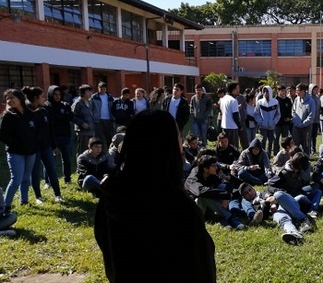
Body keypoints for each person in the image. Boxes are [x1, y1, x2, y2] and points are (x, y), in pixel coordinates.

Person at [94, 109, 216, 282]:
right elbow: (202, 270)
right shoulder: (179, 210)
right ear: (170, 147)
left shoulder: (110, 198)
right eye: (178, 137)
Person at [0, 89, 39, 213]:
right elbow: (2, 135)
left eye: (12, 97)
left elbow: (36, 131)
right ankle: (5, 206)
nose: (9, 100)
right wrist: (17, 144)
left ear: (20, 98)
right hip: (15, 152)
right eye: (7, 98)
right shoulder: (8, 116)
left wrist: (34, 143)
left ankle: (24, 200)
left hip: (31, 151)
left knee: (26, 178)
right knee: (16, 179)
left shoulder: (30, 113)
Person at [23, 87, 63, 204]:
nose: (44, 99)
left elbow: (51, 130)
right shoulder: (25, 113)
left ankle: (58, 194)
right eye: (42, 97)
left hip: (46, 147)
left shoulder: (44, 111)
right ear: (36, 98)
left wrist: (54, 145)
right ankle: (38, 197)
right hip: (33, 149)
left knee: (52, 170)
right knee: (35, 173)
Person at [185, 155, 245, 230]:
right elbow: (201, 191)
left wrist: (228, 195)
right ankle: (230, 218)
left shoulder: (210, 174)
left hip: (208, 209)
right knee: (203, 197)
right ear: (206, 169)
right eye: (213, 166)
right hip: (193, 211)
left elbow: (224, 186)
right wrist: (225, 195)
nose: (216, 168)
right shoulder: (193, 179)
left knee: (220, 189)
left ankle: (224, 220)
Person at [45, 85, 74, 183]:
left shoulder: (65, 105)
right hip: (52, 137)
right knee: (49, 160)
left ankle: (67, 179)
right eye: (55, 94)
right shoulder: (46, 106)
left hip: (65, 136)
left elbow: (70, 117)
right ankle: (48, 181)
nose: (57, 96)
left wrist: (60, 117)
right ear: (50, 95)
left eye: (59, 94)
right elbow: (51, 121)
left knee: (67, 160)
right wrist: (62, 117)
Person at [255, 86, 281, 158]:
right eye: (264, 91)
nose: (266, 93)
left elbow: (278, 114)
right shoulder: (260, 102)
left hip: (271, 126)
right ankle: (261, 155)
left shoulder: (275, 102)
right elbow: (256, 114)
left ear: (270, 92)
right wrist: (261, 122)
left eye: (267, 91)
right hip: (263, 126)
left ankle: (268, 155)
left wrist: (274, 122)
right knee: (263, 141)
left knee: (270, 141)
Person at [291, 83, 316, 155]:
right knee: (295, 145)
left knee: (306, 145)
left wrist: (303, 124)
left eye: (298, 90)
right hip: (296, 126)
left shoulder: (311, 101)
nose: (297, 92)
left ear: (304, 91)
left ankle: (306, 160)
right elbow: (293, 111)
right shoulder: (296, 100)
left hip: (306, 127)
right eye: (296, 90)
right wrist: (296, 122)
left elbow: (311, 116)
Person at [72, 84, 96, 155]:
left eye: (90, 91)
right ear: (82, 93)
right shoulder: (78, 103)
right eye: (88, 91)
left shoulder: (90, 102)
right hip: (82, 132)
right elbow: (72, 116)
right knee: (82, 152)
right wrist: (81, 123)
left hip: (91, 130)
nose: (90, 93)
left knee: (90, 150)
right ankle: (80, 165)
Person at [91, 81, 115, 148]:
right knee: (99, 138)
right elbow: (91, 108)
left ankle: (110, 152)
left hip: (108, 120)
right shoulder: (94, 97)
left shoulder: (110, 97)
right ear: (98, 88)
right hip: (98, 120)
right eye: (101, 88)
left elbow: (113, 107)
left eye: (104, 89)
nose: (102, 90)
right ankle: (100, 152)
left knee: (109, 138)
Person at [221, 82, 243, 149]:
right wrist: (240, 126)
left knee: (225, 146)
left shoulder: (223, 98)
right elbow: (235, 116)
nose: (238, 90)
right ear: (233, 90)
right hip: (232, 127)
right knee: (233, 147)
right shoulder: (233, 100)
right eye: (237, 88)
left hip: (224, 126)